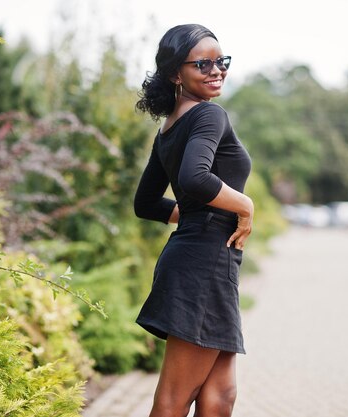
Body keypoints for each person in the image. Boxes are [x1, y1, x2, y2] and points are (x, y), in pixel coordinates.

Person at [134, 24, 253, 417]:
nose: (216, 70)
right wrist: (244, 206)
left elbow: (147, 203)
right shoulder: (207, 115)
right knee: (172, 399)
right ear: (175, 74)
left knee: (221, 396)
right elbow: (194, 178)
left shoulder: (169, 128)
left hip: (206, 261)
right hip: (202, 265)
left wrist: (199, 213)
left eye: (221, 61)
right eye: (203, 64)